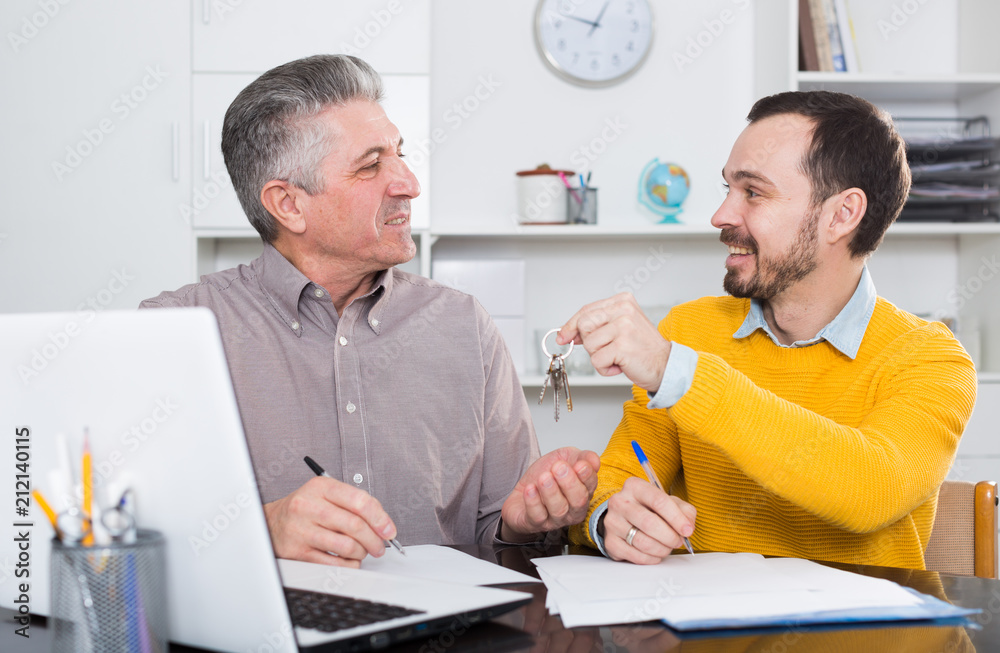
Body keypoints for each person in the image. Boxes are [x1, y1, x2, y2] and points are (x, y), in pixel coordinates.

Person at [141, 54, 599, 567]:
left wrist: (525, 520)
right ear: (288, 205)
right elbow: (102, 526)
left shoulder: (464, 325)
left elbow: (506, 535)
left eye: (400, 154)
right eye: (370, 165)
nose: (408, 183)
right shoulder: (173, 332)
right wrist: (261, 528)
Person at [562, 90, 977, 569]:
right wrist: (611, 517)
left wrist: (679, 374)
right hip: (705, 637)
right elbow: (620, 475)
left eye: (753, 192)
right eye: (728, 189)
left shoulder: (930, 358)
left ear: (842, 215)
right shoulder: (689, 330)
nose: (721, 216)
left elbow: (870, 488)